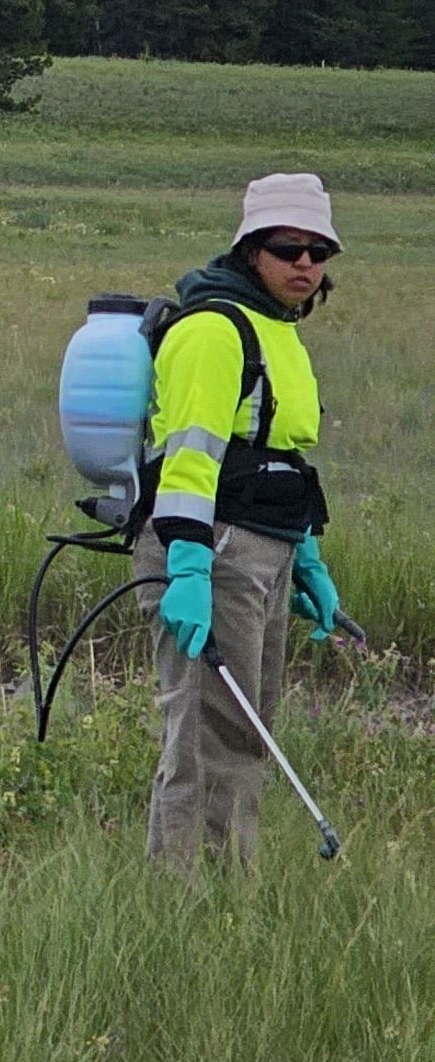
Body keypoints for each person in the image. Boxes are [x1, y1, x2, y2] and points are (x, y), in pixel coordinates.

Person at [142, 171, 348, 869]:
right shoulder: (213, 330)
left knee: (248, 734)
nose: (305, 264)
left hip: (263, 551)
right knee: (208, 738)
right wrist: (189, 566)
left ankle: (231, 897)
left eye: (319, 251)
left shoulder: (280, 332)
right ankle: (185, 908)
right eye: (289, 247)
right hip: (211, 550)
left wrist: (307, 558)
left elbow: (280, 454)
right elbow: (190, 459)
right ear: (249, 249)